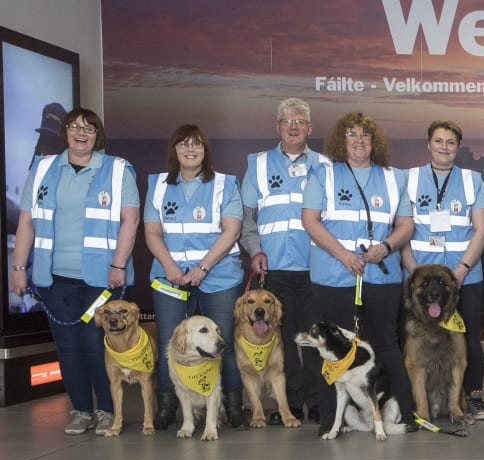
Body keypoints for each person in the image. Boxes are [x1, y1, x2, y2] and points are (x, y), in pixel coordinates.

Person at [9, 108, 139, 435]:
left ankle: (107, 410)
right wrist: (19, 268)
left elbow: (130, 220)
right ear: (65, 132)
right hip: (55, 281)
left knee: (95, 346)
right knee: (67, 348)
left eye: (89, 128)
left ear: (98, 135)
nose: (81, 133)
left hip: (102, 282)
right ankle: (81, 410)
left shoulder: (117, 170)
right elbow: (26, 221)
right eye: (75, 127)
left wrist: (119, 264)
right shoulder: (42, 170)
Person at [301, 112, 418, 432]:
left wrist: (386, 247)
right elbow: (310, 220)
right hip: (333, 274)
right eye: (352, 134)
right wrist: (342, 255)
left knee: (386, 343)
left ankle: (406, 413)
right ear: (342, 140)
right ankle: (330, 421)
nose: (359, 140)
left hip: (381, 274)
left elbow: (406, 225)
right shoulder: (322, 173)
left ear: (374, 141)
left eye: (365, 135)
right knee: (331, 348)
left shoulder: (394, 177)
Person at [145, 125, 247, 430]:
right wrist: (171, 267)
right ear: (174, 150)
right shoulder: (158, 184)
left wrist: (202, 268)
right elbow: (151, 233)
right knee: (170, 342)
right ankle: (167, 405)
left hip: (219, 276)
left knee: (221, 342)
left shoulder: (225, 184)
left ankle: (232, 405)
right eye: (183, 144)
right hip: (170, 278)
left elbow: (232, 230)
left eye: (197, 144)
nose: (190, 149)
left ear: (206, 150)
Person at [239, 97, 327, 425]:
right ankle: (287, 404)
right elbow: (247, 217)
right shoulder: (259, 165)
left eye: (299, 121)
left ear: (309, 128)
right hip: (273, 268)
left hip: (315, 268)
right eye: (287, 121)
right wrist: (255, 250)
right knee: (284, 342)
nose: (293, 126)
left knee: (317, 339)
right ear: (278, 127)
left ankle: (319, 402)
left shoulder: (325, 165)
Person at [399, 120, 484, 420]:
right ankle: (414, 402)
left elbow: (481, 230)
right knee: (415, 341)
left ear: (458, 147)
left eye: (450, 142)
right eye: (438, 141)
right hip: (421, 281)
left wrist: (463, 269)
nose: (444, 148)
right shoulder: (408, 179)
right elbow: (401, 229)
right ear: (429, 144)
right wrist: (414, 275)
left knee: (469, 341)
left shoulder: (472, 180)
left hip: (465, 276)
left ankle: (473, 398)